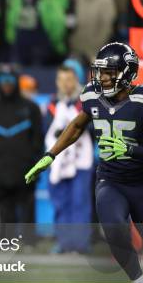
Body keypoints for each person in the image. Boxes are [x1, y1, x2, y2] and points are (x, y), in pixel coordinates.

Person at [25, 42, 143, 283]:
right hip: (111, 179)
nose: (102, 78)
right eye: (100, 72)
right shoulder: (92, 95)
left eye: (110, 72)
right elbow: (79, 124)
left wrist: (130, 149)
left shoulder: (142, 101)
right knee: (114, 229)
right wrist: (50, 155)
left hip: (142, 181)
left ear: (127, 73)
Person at [0, 66, 43, 225]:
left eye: (10, 80)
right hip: (0, 169)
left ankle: (28, 243)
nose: (7, 84)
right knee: (4, 208)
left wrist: (32, 160)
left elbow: (38, 137)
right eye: (2, 80)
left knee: (28, 206)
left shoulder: (31, 108)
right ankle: (7, 242)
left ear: (16, 82)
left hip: (26, 169)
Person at [44, 65, 93, 254]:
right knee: (60, 202)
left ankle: (80, 244)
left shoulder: (86, 102)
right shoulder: (52, 103)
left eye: (69, 79)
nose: (65, 84)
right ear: (57, 82)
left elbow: (94, 128)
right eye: (62, 79)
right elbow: (46, 129)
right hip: (58, 161)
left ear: (76, 80)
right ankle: (64, 242)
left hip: (81, 160)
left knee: (80, 202)